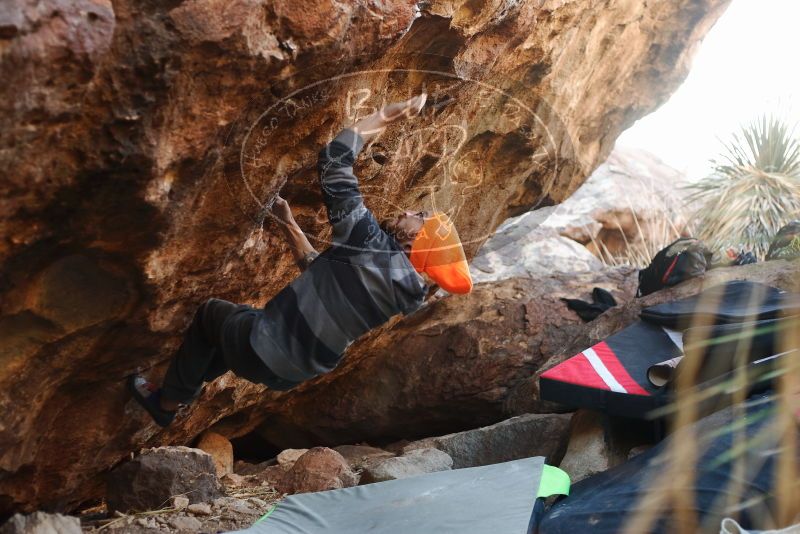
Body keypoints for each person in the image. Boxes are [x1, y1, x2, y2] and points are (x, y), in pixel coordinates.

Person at [128, 93, 473, 427]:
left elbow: (335, 160)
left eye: (420, 215)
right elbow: (319, 272)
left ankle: (166, 404)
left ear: (416, 239)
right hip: (289, 374)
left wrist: (387, 115)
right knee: (234, 333)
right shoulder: (399, 292)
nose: (411, 210)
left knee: (210, 315)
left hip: (262, 346)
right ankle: (190, 382)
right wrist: (287, 221)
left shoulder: (368, 242)